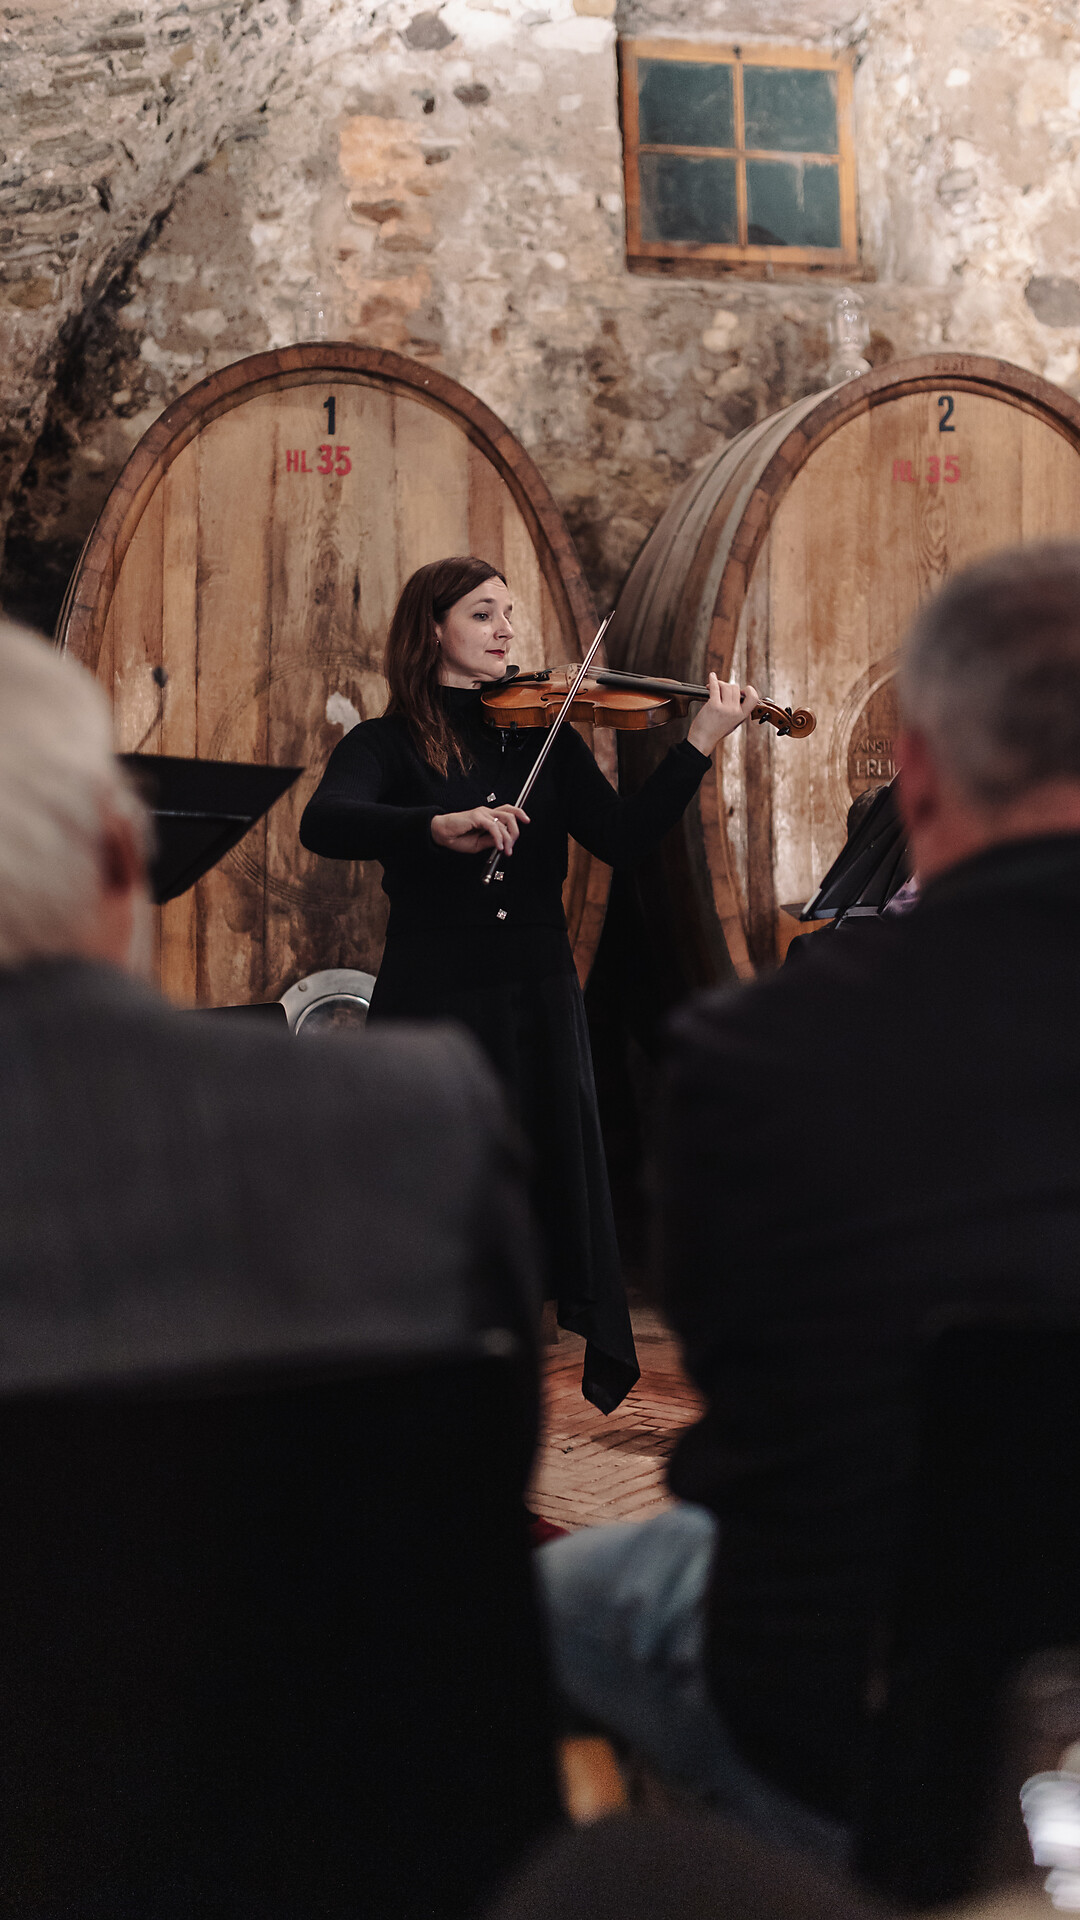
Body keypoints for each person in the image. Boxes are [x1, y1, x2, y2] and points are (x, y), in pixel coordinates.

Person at [538, 541, 1080, 1846]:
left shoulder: (755, 1057)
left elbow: (754, 1406)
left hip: (856, 1713)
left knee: (549, 1601)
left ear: (918, 774)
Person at [300, 555, 760, 1413]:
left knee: (539, 1190)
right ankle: (423, 1385)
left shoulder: (544, 737)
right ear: (432, 629)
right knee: (437, 1197)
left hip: (537, 991)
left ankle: (504, 1382)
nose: (507, 629)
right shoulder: (386, 743)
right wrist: (433, 825)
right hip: (436, 998)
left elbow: (622, 839)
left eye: (509, 613)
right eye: (483, 614)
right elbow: (323, 822)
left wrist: (698, 745)